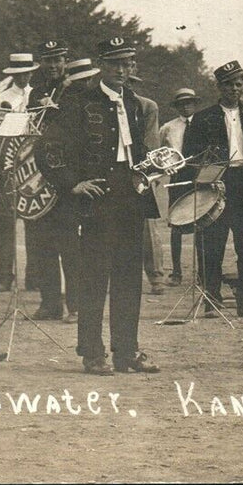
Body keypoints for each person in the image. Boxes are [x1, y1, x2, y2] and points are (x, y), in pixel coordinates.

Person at [36, 36, 161, 375]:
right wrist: (72, 184)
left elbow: (140, 151)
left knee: (128, 279)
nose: (122, 70)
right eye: (115, 63)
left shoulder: (135, 104)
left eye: (127, 63)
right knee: (94, 279)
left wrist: (148, 172)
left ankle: (126, 352)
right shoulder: (79, 101)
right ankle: (92, 353)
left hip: (131, 197)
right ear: (101, 67)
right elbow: (46, 150)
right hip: (97, 199)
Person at [181, 60, 243, 322]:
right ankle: (211, 298)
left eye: (239, 84)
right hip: (216, 184)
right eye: (228, 84)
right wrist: (206, 177)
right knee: (212, 244)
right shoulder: (204, 118)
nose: (234, 89)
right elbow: (190, 156)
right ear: (219, 87)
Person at [0, 52, 39, 292]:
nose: (24, 76)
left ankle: (34, 275)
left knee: (33, 218)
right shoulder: (2, 97)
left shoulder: (38, 95)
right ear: (13, 74)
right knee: (6, 220)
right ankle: (4, 275)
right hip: (8, 163)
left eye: (27, 72)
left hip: (32, 162)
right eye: (19, 73)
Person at [24, 39, 71, 293]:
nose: (52, 65)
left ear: (66, 61)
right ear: (40, 62)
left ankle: (74, 304)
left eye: (57, 60)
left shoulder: (77, 88)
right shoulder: (35, 91)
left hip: (66, 171)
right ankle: (49, 302)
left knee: (68, 242)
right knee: (42, 241)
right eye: (47, 60)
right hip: (42, 171)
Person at [129, 69, 167, 295]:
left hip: (140, 170)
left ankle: (156, 277)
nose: (129, 86)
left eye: (132, 82)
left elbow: (151, 142)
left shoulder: (147, 106)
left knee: (147, 227)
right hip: (114, 171)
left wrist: (146, 172)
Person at [160, 88, 199, 286]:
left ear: (195, 104)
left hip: (199, 176)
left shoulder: (202, 124)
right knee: (176, 224)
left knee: (201, 221)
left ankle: (202, 273)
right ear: (176, 107)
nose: (186, 106)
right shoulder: (168, 127)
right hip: (177, 176)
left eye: (190, 102)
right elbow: (159, 150)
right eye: (182, 103)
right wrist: (166, 167)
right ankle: (176, 272)